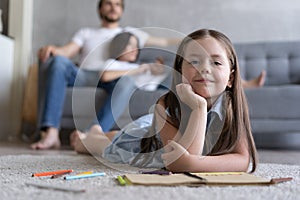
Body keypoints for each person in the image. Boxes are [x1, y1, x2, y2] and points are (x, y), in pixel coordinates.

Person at [71, 28, 258, 173]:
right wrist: (199, 108)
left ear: (231, 78)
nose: (204, 69)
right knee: (94, 145)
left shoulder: (234, 107)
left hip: (149, 129)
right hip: (140, 143)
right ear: (180, 71)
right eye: (194, 61)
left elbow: (242, 160)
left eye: (216, 62)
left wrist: (194, 162)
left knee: (114, 134)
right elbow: (180, 163)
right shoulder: (164, 106)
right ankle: (87, 135)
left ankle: (96, 131)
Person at [30, 0, 180, 150]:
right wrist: (53, 50)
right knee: (58, 62)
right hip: (86, 75)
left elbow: (164, 41)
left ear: (121, 10)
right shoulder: (86, 32)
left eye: (117, 4)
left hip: (115, 77)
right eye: (108, 3)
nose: (113, 7)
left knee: (127, 82)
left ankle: (90, 134)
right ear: (100, 9)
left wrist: (190, 40)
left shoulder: (130, 33)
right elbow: (67, 51)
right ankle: (51, 132)